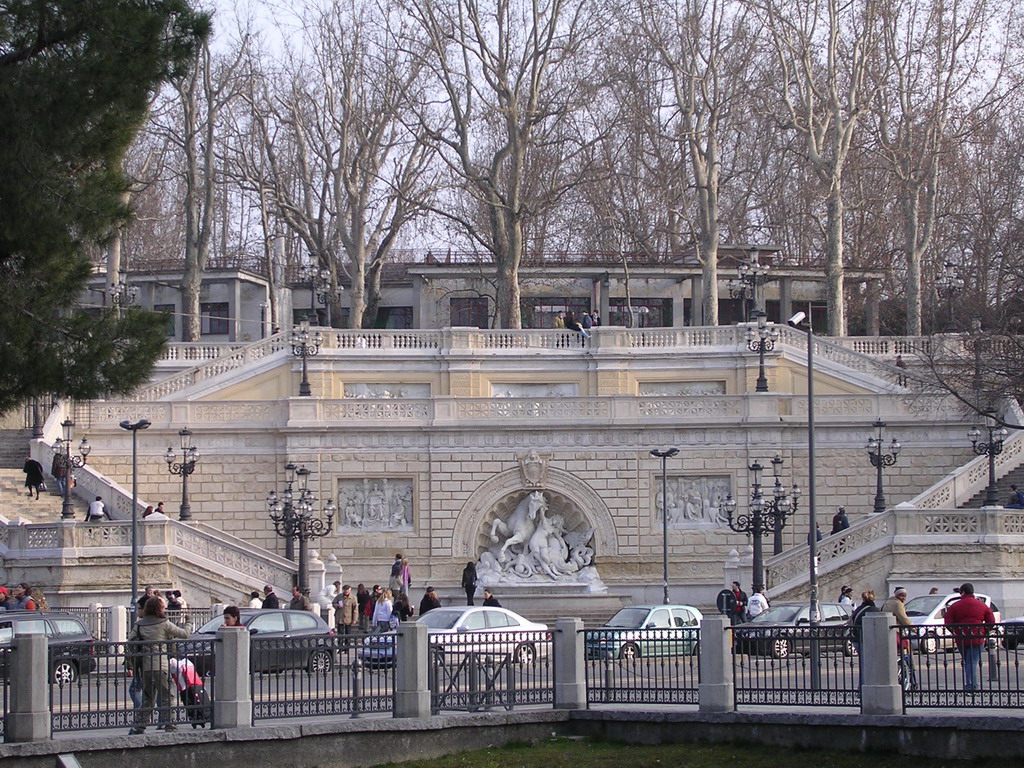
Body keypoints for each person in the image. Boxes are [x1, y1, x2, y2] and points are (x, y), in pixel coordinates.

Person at [128, 596, 190, 734]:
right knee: (167, 696)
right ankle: (170, 725)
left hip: (145, 667)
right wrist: (188, 621)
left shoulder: (139, 625)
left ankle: (139, 726)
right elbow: (184, 634)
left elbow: (130, 641)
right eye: (162, 607)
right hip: (161, 666)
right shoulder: (164, 624)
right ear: (158, 609)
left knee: (148, 697)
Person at [943, 582, 995, 691]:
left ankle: (971, 684)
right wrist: (984, 631)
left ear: (962, 592)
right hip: (977, 637)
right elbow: (991, 620)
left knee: (967, 661)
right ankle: (972, 685)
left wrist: (955, 632)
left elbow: (948, 621)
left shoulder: (955, 606)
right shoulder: (981, 605)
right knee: (972, 661)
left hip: (961, 638)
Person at [882, 587, 917, 689]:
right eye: (902, 595)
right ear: (897, 595)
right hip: (897, 634)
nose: (904, 598)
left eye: (905, 596)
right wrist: (915, 629)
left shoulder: (887, 602)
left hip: (887, 633)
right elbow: (904, 619)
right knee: (907, 656)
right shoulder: (898, 604)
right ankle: (912, 681)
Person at [168, 655, 209, 729]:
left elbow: (182, 686)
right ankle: (201, 715)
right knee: (196, 698)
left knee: (190, 699)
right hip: (195, 685)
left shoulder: (179, 668)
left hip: (189, 687)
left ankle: (196, 717)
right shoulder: (185, 663)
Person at [849, 589, 877, 685]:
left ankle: (861, 688)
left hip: (856, 638)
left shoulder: (859, 608)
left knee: (863, 665)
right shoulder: (874, 610)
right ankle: (864, 688)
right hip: (865, 639)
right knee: (867, 666)